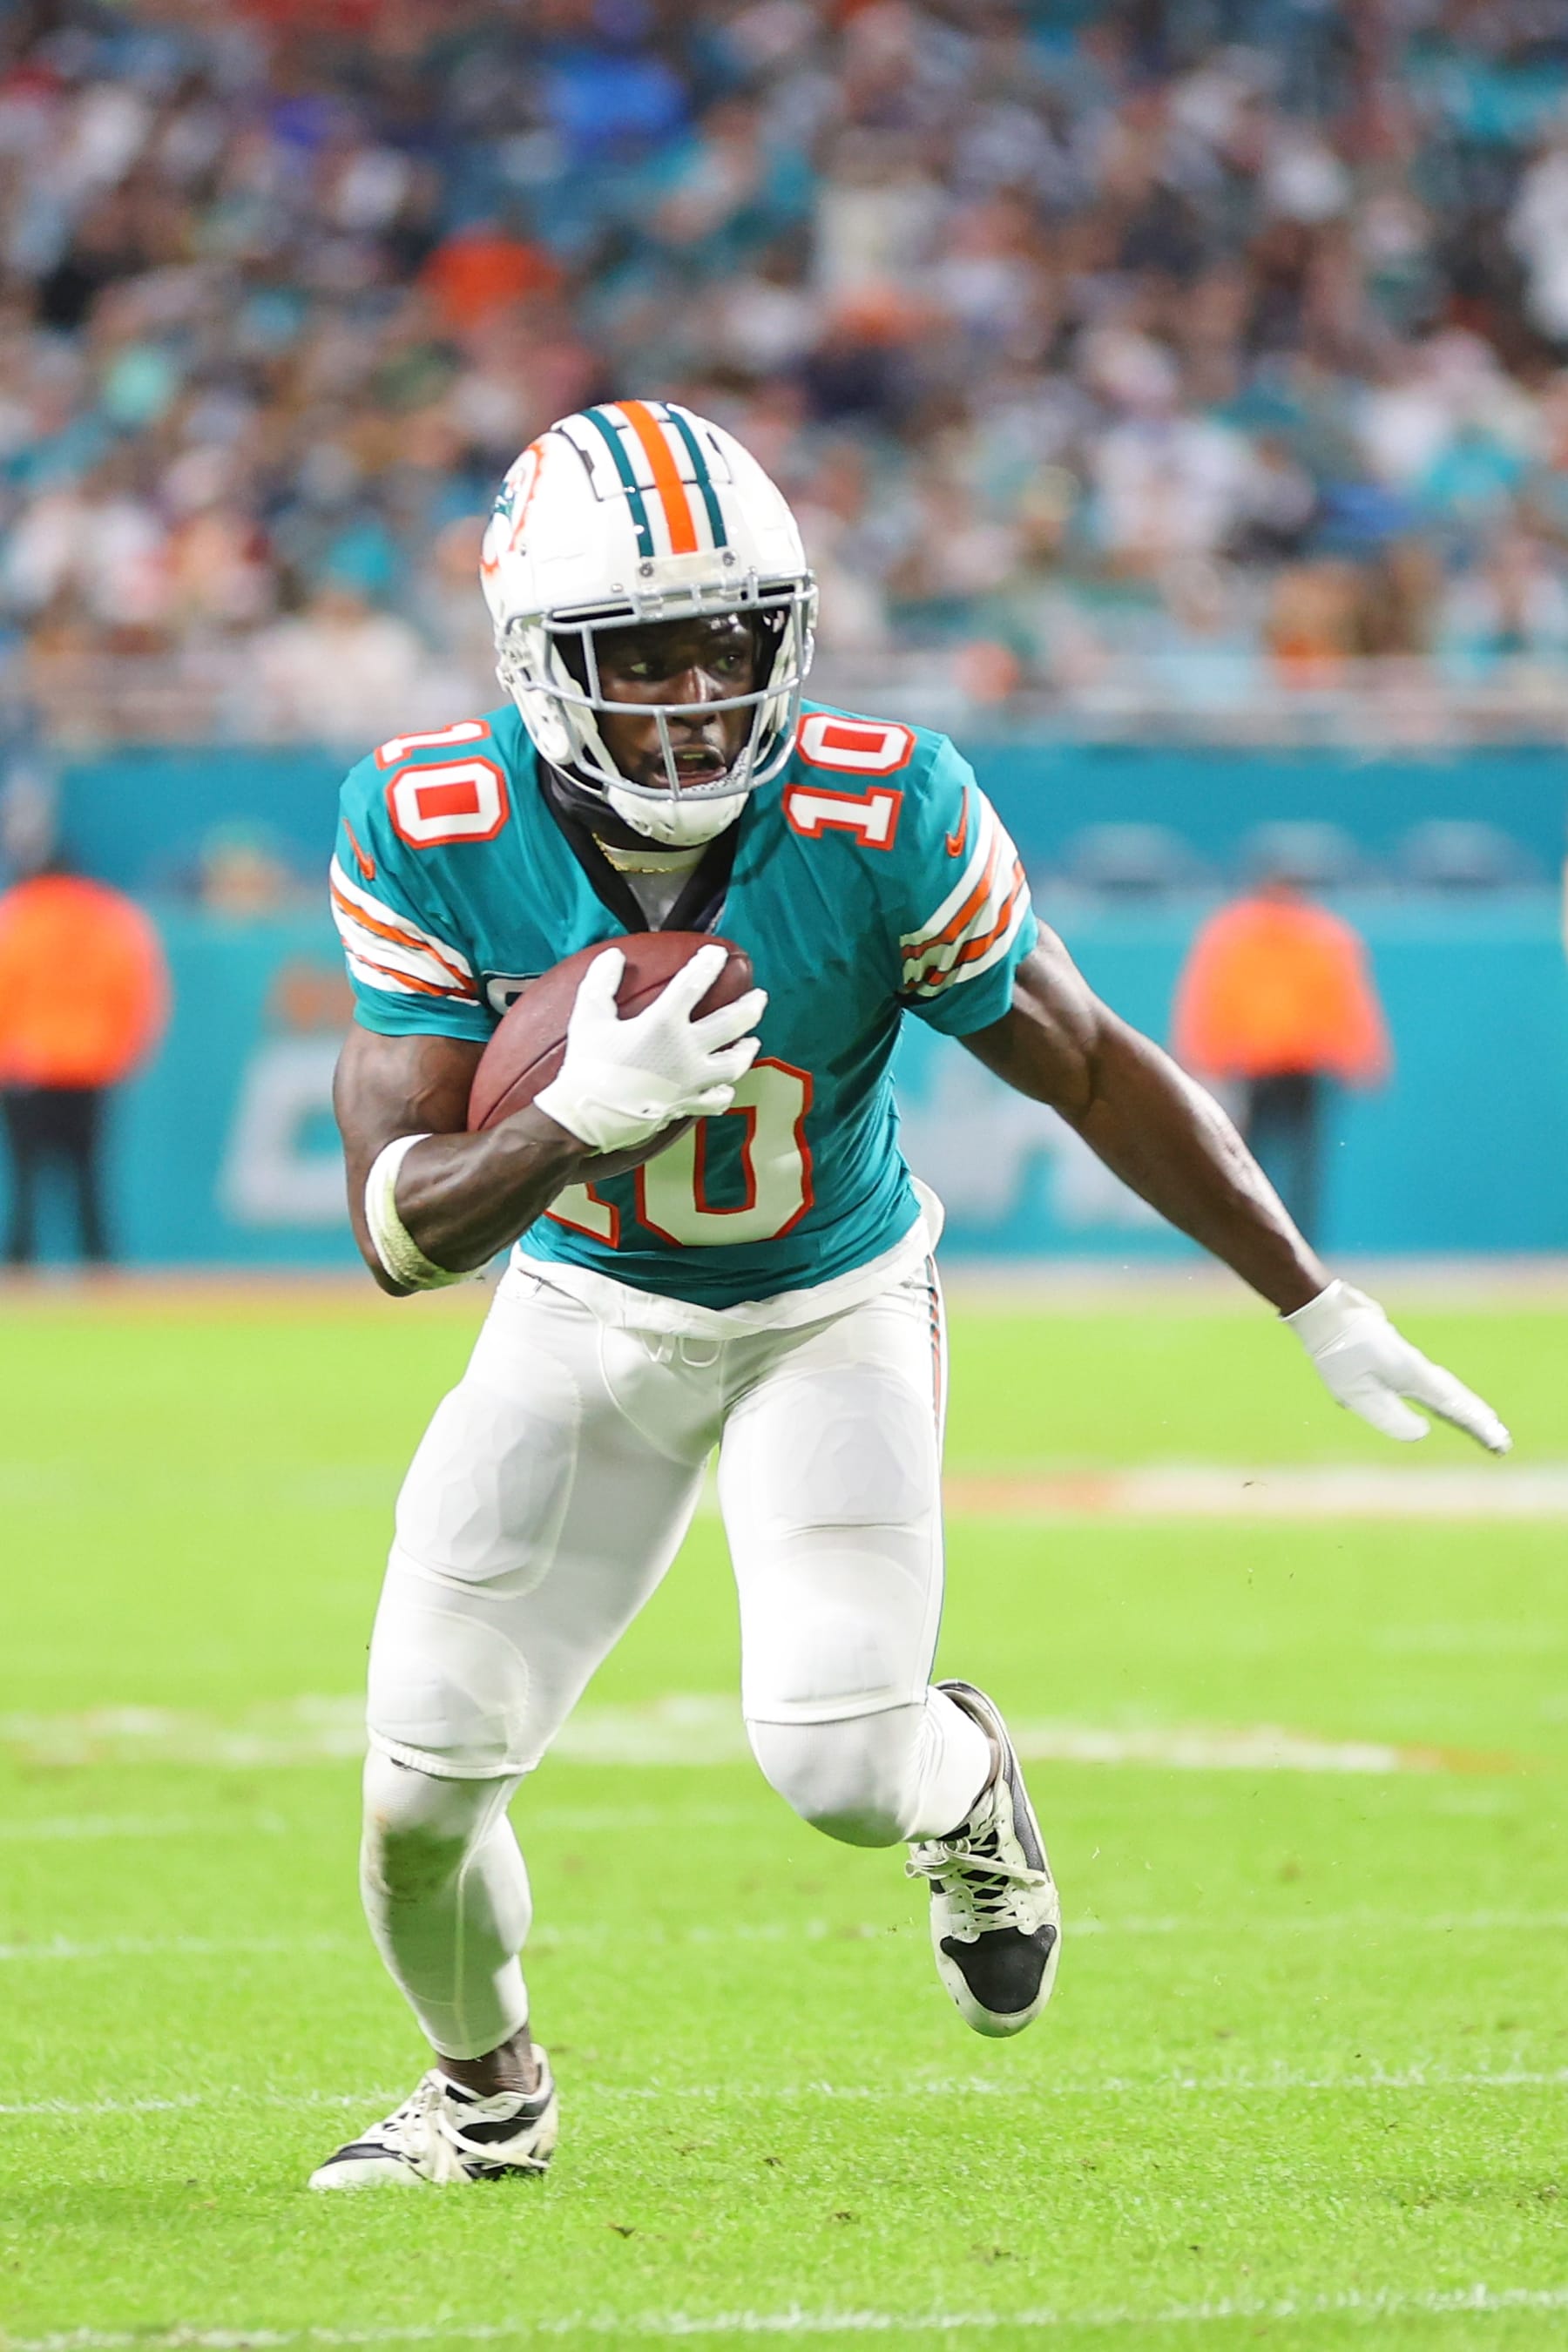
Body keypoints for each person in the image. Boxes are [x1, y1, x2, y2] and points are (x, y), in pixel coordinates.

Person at [314, 401, 1507, 2191]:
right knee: (417, 1791)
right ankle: (485, 2100)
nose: (701, 695)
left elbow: (1089, 1064)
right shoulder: (433, 818)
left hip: (833, 1305)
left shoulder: (879, 805)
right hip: (583, 1315)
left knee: (835, 1764)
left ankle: (962, 1781)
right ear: (535, 658)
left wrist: (1312, 1301)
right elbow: (400, 1236)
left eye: (736, 642)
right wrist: (574, 1119)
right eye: (642, 654)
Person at [1173, 875, 1391, 1244]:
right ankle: (1243, 1241)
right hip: (1251, 1069)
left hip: (1300, 1067)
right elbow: (1213, 999)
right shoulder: (1246, 935)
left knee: (1297, 1167)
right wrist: (1205, 1055)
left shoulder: (1312, 936)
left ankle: (1296, 1245)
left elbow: (1344, 1002)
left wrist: (1359, 1057)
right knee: (1242, 1162)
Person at [0, 857, 168, 1266]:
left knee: (25, 1178)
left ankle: (21, 1268)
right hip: (91, 1066)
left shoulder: (19, 913)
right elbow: (136, 989)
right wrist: (123, 1054)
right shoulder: (109, 916)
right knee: (89, 1177)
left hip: (29, 1064)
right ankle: (99, 1267)